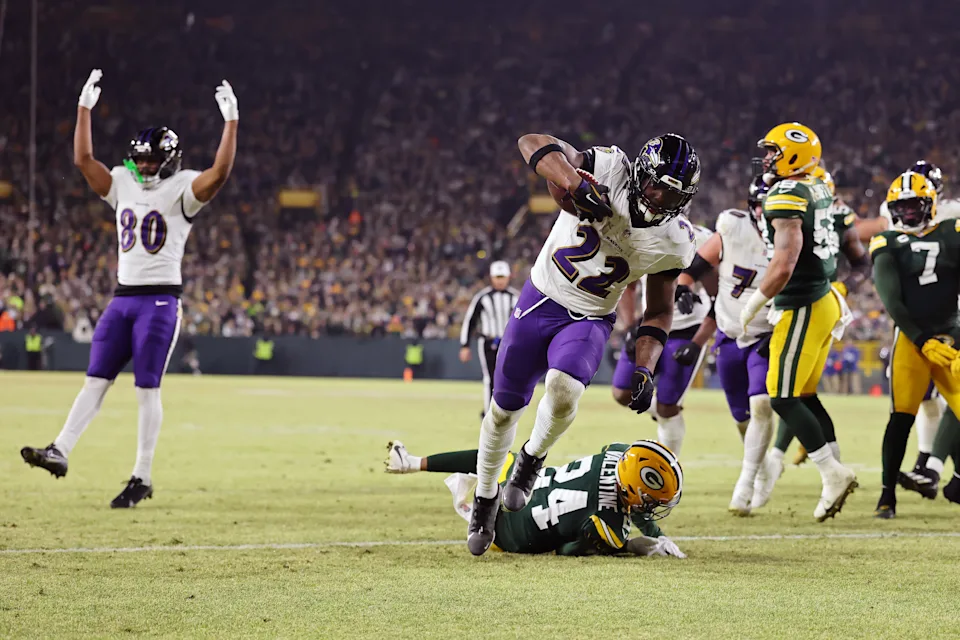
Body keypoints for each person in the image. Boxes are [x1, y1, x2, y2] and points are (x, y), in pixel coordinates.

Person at [467, 133, 700, 556]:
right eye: (658, 185)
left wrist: (645, 366)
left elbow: (660, 311)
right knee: (502, 412)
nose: (663, 197)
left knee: (565, 388)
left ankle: (531, 458)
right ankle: (484, 498)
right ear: (640, 173)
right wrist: (575, 183)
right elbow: (531, 142)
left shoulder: (676, 239)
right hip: (539, 300)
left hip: (592, 316)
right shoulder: (610, 167)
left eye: (674, 193)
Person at [20, 69, 238, 508]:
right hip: (122, 300)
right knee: (94, 380)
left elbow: (219, 173)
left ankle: (141, 475)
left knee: (145, 389)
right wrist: (83, 110)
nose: (145, 167)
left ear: (171, 160)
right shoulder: (121, 180)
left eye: (153, 161)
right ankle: (60, 450)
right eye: (141, 159)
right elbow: (84, 161)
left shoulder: (182, 188)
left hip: (159, 301)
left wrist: (231, 123)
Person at [738, 122, 858, 522]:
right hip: (822, 298)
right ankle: (834, 467)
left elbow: (785, 262)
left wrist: (755, 301)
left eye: (773, 151)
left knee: (782, 396)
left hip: (804, 302)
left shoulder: (788, 191)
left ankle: (832, 472)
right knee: (803, 395)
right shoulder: (818, 186)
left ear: (793, 155)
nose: (768, 158)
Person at [386, 439, 686, 558]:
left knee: (499, 457)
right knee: (566, 539)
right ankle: (485, 517)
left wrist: (654, 532)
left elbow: (620, 491)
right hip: (508, 536)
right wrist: (636, 546)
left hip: (517, 487)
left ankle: (411, 462)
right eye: (651, 500)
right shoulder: (610, 526)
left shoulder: (617, 452)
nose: (650, 507)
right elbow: (568, 551)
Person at [678, 176, 776, 515]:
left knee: (762, 404)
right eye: (762, 206)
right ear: (752, 207)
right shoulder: (732, 229)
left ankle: (747, 481)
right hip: (729, 332)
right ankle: (764, 468)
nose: (767, 214)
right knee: (741, 415)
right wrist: (684, 288)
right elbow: (695, 267)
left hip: (766, 335)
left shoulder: (791, 234)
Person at [868, 171, 960, 518]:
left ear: (930, 204)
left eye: (913, 204)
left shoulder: (953, 233)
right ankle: (887, 494)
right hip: (911, 340)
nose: (907, 212)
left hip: (951, 334)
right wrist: (922, 340)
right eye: (901, 206)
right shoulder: (886, 242)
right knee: (901, 418)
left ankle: (952, 477)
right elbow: (892, 301)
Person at [610, 224, 715, 457]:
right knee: (622, 392)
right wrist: (629, 327)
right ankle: (669, 418)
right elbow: (630, 283)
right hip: (652, 323)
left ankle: (670, 464)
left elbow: (718, 292)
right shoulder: (644, 232)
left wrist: (698, 342)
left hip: (687, 329)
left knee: (668, 407)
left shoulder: (704, 238)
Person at [458, 261, 520, 416]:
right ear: (491, 277)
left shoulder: (516, 297)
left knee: (509, 378)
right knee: (490, 378)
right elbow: (470, 321)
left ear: (508, 277)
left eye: (502, 277)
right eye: (497, 277)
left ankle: (504, 412)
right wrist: (465, 345)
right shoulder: (482, 297)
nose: (500, 280)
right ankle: (488, 413)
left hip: (509, 343)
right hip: (488, 342)